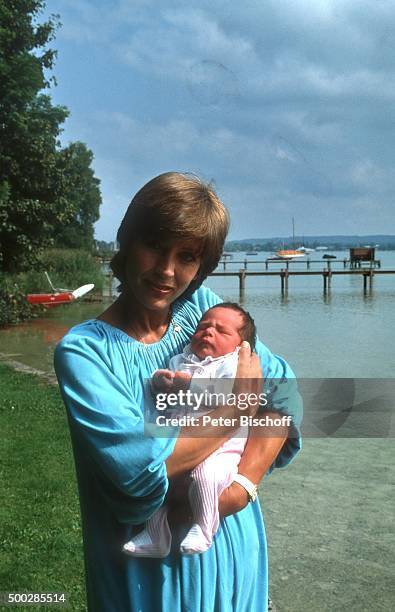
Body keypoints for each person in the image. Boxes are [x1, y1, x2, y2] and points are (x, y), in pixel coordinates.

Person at [54, 172, 302, 612]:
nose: (167, 271)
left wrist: (241, 487)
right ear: (127, 242)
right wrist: (240, 403)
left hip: (235, 550)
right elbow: (139, 470)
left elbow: (283, 391)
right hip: (148, 577)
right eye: (154, 245)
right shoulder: (85, 351)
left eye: (187, 257)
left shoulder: (201, 310)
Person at [123, 302, 259, 557]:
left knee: (204, 477)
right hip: (179, 438)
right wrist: (159, 382)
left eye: (222, 331)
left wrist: (190, 385)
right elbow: (163, 390)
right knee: (160, 478)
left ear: (241, 346)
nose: (208, 332)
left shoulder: (233, 366)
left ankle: (204, 527)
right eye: (203, 327)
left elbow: (227, 396)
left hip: (220, 448)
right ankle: (155, 535)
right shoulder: (181, 359)